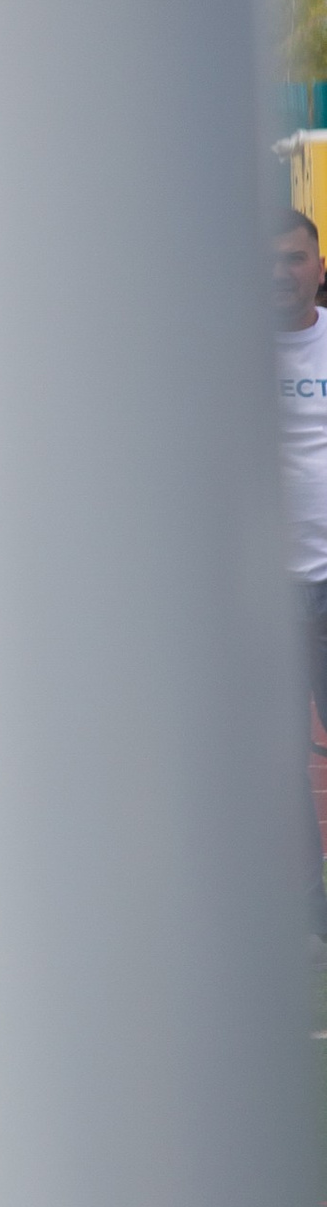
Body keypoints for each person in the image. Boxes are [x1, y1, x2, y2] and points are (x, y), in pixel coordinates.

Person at [275, 210, 327, 926]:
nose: (279, 274)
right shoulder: (224, 355)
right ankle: (307, 907)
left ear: (318, 264)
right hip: (267, 590)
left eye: (292, 258)